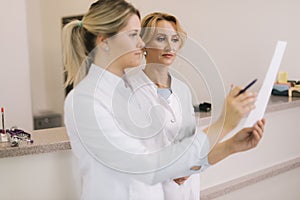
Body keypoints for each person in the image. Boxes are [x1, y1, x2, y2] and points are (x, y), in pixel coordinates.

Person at [62, 1, 265, 199]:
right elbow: (147, 166)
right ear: (104, 41)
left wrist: (231, 146)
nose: (140, 43)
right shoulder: (84, 100)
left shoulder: (124, 91)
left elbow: (172, 158)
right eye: (133, 35)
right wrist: (224, 124)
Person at [125, 12, 266, 200]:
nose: (169, 46)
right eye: (160, 38)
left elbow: (192, 149)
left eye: (174, 39)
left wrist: (233, 145)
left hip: (186, 191)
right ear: (144, 45)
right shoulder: (128, 89)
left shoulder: (182, 90)